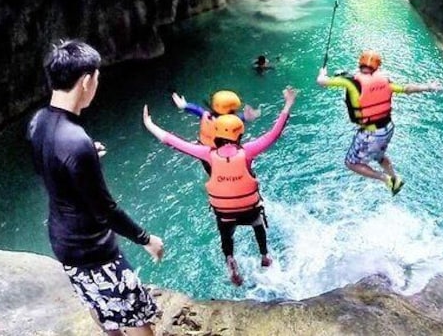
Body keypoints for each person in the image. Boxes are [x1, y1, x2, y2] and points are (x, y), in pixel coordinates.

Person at [28, 40, 164, 335]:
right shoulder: (75, 141)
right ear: (87, 81)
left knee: (97, 303)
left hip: (62, 241)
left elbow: (49, 164)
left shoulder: (38, 122)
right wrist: (146, 238)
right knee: (137, 315)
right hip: (93, 247)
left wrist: (87, 157)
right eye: (97, 78)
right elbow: (105, 210)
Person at [143, 87, 296, 286]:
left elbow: (173, 141)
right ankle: (265, 255)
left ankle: (230, 259)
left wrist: (149, 124)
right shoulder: (248, 151)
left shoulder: (207, 154)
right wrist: (288, 104)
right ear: (239, 133)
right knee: (258, 224)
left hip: (225, 214)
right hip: (249, 210)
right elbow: (274, 133)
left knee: (226, 236)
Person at [316, 50, 443, 195]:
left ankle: (385, 179)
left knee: (351, 163)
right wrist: (428, 87)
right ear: (377, 67)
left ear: (360, 64)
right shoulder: (385, 82)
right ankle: (395, 179)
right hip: (388, 129)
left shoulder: (350, 81)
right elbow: (407, 89)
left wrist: (322, 72)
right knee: (379, 156)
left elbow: (321, 82)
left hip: (371, 132)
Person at [171, 89, 260, 147]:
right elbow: (245, 116)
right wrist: (253, 114)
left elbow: (198, 110)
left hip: (206, 149)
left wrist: (185, 105)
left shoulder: (207, 116)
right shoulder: (236, 118)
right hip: (224, 152)